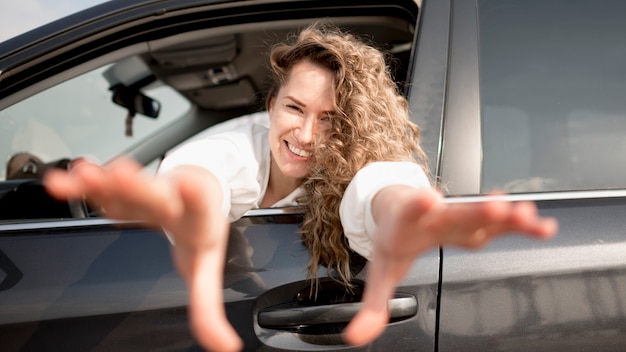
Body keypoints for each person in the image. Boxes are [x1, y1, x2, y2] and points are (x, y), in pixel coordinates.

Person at [44, 23, 558, 351]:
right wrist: (175, 202)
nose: (307, 136)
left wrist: (411, 211)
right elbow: (204, 177)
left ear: (353, 126)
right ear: (270, 106)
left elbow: (381, 186)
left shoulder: (361, 162)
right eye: (294, 108)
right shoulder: (231, 148)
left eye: (331, 119)